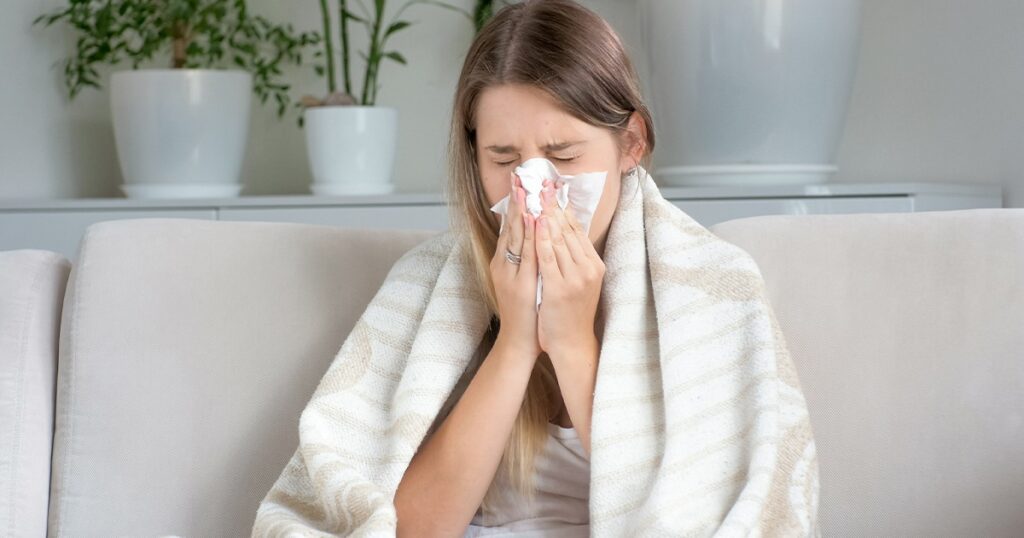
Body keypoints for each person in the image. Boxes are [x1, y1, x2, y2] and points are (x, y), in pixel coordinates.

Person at [392, 0, 656, 535]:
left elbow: (677, 514)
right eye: (505, 161)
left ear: (631, 143)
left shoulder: (702, 290)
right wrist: (515, 340)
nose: (535, 192)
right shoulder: (427, 284)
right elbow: (402, 530)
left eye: (563, 157)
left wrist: (572, 341)